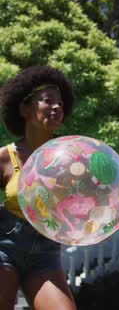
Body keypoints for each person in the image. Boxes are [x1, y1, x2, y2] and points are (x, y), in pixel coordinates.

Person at [0, 66, 76, 310]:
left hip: (46, 255)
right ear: (24, 108)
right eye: (48, 101)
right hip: (3, 248)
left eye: (61, 104)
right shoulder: (4, 157)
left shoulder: (71, 158)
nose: (56, 107)